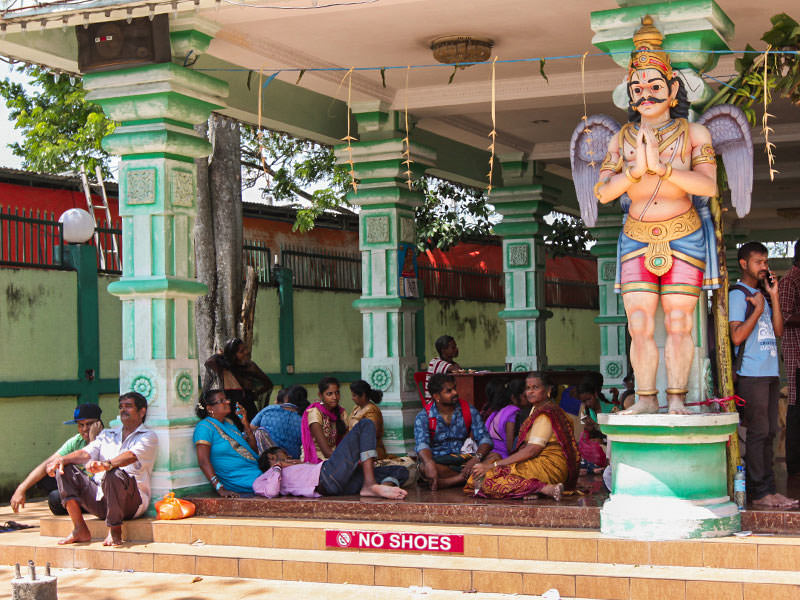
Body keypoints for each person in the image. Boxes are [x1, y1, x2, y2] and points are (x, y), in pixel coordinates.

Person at [593, 17, 721, 415]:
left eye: (654, 86)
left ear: (672, 90)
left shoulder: (693, 134)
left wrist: (664, 169)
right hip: (636, 236)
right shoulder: (622, 139)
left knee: (680, 320)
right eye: (637, 88)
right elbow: (602, 191)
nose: (645, 94)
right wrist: (634, 171)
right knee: (639, 324)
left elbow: (708, 186)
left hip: (684, 233)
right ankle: (646, 399)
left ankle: (678, 399)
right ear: (630, 95)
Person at [729, 242, 796, 509]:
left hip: (769, 372)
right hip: (751, 373)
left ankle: (769, 490)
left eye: (766, 262)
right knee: (758, 433)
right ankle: (760, 492)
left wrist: (774, 296)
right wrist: (756, 310)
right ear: (744, 264)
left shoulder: (761, 295)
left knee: (770, 432)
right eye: (758, 262)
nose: (764, 267)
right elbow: (736, 336)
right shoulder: (738, 295)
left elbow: (779, 331)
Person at [46, 392, 158, 547]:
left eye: (128, 406)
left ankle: (115, 529)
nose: (123, 410)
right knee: (64, 469)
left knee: (113, 472)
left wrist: (107, 464)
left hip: (131, 504)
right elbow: (86, 453)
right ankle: (80, 529)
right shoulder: (108, 434)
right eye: (121, 407)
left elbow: (131, 456)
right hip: (100, 500)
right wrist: (61, 460)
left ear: (142, 411)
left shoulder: (148, 436)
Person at [464, 372, 580, 500]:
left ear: (548, 389)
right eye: (527, 388)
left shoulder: (545, 414)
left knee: (479, 481)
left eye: (535, 387)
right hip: (552, 466)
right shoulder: (542, 409)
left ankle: (543, 488)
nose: (530, 392)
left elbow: (532, 450)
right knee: (483, 476)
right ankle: (531, 490)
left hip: (548, 467)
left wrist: (494, 465)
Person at [254, 420, 408, 500]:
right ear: (272, 457)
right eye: (283, 455)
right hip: (326, 476)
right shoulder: (265, 477)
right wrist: (278, 466)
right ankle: (370, 484)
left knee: (400, 471)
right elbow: (272, 492)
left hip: (339, 484)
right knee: (365, 425)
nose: (288, 456)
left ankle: (381, 487)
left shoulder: (292, 466)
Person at [11, 403, 103, 516]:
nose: (84, 429)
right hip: (83, 491)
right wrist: (21, 489)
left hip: (101, 492)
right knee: (51, 487)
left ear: (98, 423)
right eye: (80, 425)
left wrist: (94, 440)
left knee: (57, 496)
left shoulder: (109, 438)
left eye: (89, 424)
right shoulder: (76, 441)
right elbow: (47, 464)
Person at [414, 373, 492, 490]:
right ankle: (465, 478)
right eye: (449, 391)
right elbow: (422, 444)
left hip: (464, 459)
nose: (455, 393)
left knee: (495, 457)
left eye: (454, 388)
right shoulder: (424, 416)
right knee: (425, 468)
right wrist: (429, 463)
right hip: (440, 461)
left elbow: (485, 439)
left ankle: (451, 481)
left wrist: (476, 458)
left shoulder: (468, 409)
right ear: (436, 396)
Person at [194, 389, 262, 497]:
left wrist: (246, 424)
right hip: (239, 479)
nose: (228, 402)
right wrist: (219, 488)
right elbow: (203, 461)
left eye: (226, 399)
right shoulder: (204, 427)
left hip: (254, 471)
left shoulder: (229, 423)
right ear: (210, 408)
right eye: (222, 401)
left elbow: (253, 452)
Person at [204, 337, 273, 422]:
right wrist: (220, 355)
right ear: (232, 355)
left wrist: (254, 394)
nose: (246, 352)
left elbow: (268, 384)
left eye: (245, 349)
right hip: (231, 411)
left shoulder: (250, 367)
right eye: (241, 351)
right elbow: (209, 362)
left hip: (248, 409)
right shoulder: (225, 367)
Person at [779, 240, 800, 476]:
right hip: (797, 358)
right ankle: (794, 466)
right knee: (796, 409)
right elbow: (783, 317)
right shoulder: (789, 282)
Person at [301, 377, 348, 463]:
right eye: (329, 394)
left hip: (336, 456)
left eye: (337, 393)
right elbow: (326, 452)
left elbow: (346, 444)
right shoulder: (315, 413)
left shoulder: (342, 413)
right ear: (320, 395)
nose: (335, 397)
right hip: (317, 458)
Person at [251, 387, 303, 458]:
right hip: (295, 459)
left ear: (285, 399)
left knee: (259, 432)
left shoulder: (269, 409)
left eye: (276, 399)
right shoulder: (303, 417)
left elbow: (251, 428)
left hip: (269, 459)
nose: (275, 402)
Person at [483, 379, 526, 459]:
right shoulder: (512, 413)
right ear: (513, 397)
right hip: (502, 457)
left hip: (488, 453)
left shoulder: (497, 412)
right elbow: (510, 448)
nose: (529, 398)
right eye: (525, 396)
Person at [347, 380, 387, 459]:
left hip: (370, 453)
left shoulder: (371, 411)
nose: (352, 398)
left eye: (354, 395)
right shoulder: (356, 408)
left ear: (363, 395)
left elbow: (371, 435)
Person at [576, 380, 608, 473]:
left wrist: (596, 426)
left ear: (595, 394)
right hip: (593, 446)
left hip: (608, 444)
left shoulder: (611, 409)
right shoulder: (584, 412)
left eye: (589, 399)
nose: (587, 404)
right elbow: (583, 433)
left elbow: (615, 432)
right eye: (584, 401)